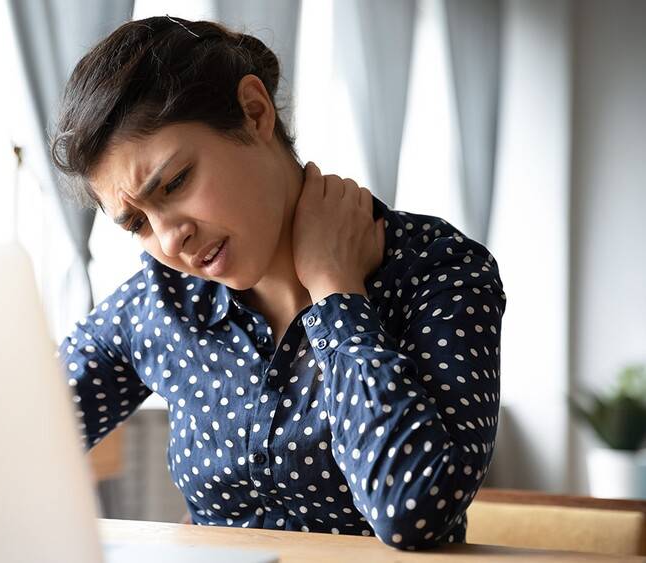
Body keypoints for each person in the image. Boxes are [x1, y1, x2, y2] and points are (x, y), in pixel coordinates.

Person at [49, 15, 506, 551]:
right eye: (138, 223)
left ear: (254, 112)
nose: (171, 239)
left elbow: (414, 511)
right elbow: (19, 443)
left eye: (175, 182)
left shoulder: (437, 269)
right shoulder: (158, 305)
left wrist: (336, 290)